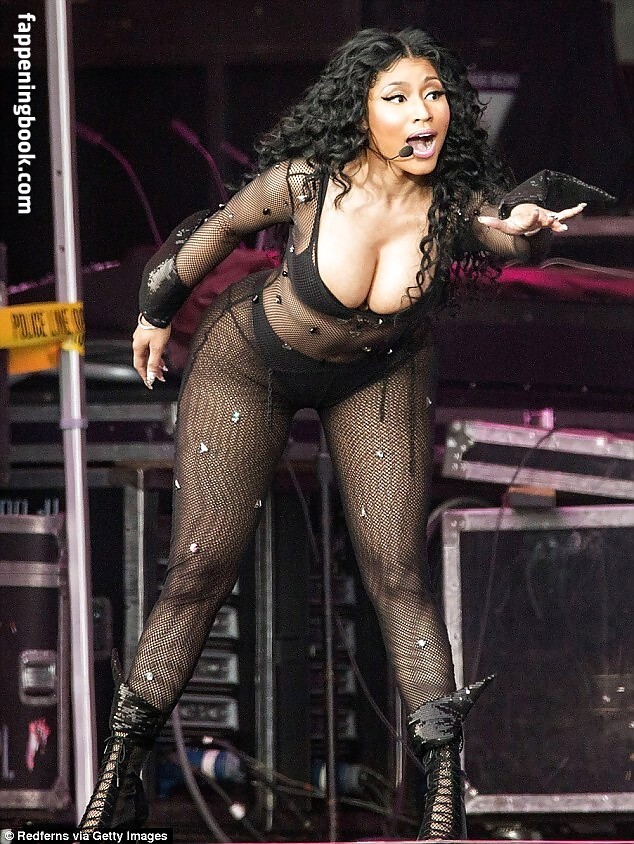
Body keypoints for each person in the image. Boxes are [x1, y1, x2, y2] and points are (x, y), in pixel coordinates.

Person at [80, 27, 600, 839]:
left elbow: (508, 230)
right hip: (250, 362)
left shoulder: (452, 205)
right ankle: (115, 789)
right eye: (398, 98)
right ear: (361, 114)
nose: (422, 113)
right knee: (200, 570)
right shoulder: (307, 182)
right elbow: (217, 229)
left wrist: (528, 219)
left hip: (378, 371)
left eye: (433, 96)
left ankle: (442, 810)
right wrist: (154, 311)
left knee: (397, 573)